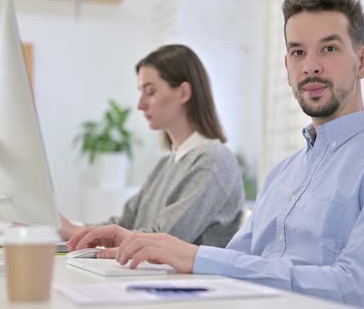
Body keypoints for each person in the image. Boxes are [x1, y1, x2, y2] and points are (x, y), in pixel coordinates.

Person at [67, 0, 364, 308]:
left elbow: (355, 289)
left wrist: (193, 256)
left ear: (361, 62)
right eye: (298, 53)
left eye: (329, 49)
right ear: (286, 66)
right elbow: (234, 262)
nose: (310, 67)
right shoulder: (284, 173)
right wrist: (141, 248)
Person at [60, 44, 245, 249]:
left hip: (185, 280)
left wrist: (73, 231)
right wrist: (69, 228)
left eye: (150, 91)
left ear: (183, 93)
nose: (140, 105)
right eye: (141, 92)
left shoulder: (213, 160)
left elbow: (163, 239)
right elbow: (124, 224)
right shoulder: (166, 164)